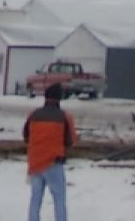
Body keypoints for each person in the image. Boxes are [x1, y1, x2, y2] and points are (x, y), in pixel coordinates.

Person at [24, 82, 77, 221]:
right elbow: (70, 140)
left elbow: (26, 136)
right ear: (59, 98)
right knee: (59, 199)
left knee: (35, 199)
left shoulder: (33, 115)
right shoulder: (65, 117)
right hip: (54, 162)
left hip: (35, 163)